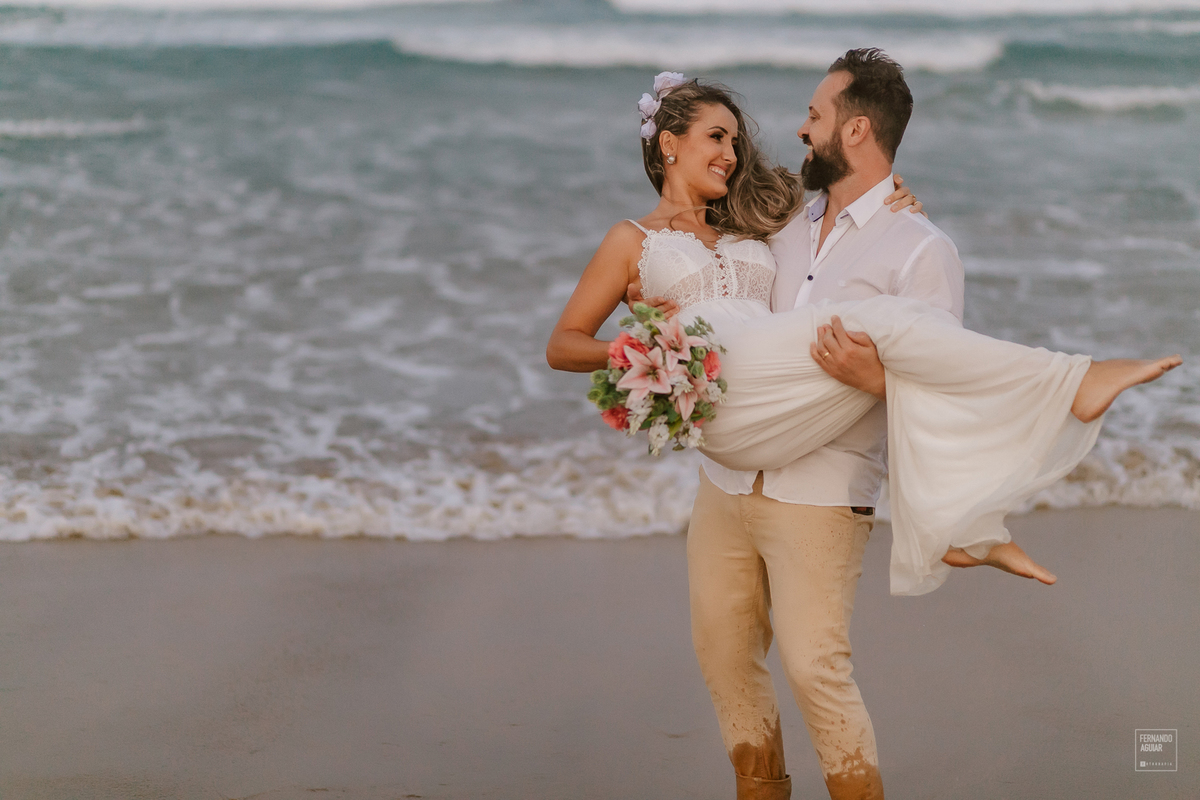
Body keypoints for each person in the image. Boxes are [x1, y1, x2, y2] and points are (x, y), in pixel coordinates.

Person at [546, 55, 1179, 800]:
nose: (786, 133)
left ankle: (1063, 391)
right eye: (716, 137)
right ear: (667, 144)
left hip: (819, 477)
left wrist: (876, 376)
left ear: (855, 127)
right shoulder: (777, 220)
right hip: (727, 466)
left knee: (816, 669)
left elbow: (937, 378)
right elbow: (577, 337)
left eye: (811, 117)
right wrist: (653, 351)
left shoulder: (908, 245)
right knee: (724, 657)